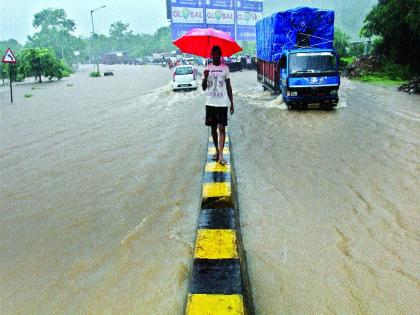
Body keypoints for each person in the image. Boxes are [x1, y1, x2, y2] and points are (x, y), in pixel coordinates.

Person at [202, 45, 234, 165]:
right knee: (213, 129)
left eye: (217, 54)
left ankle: (221, 154)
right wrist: (205, 77)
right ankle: (216, 150)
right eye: (213, 54)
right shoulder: (207, 68)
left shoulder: (225, 68)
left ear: (220, 55)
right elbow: (204, 88)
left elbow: (229, 87)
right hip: (210, 103)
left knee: (222, 128)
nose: (215, 56)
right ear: (211, 55)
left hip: (222, 103)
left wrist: (232, 103)